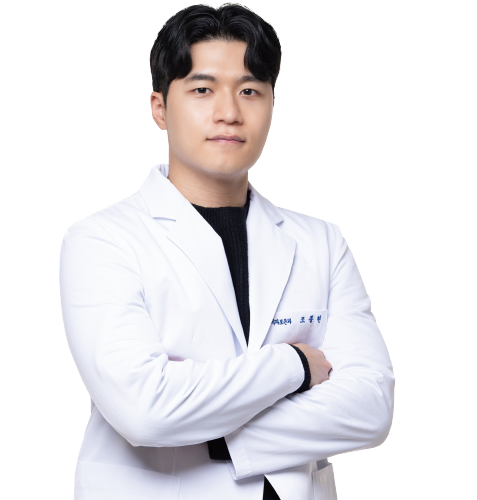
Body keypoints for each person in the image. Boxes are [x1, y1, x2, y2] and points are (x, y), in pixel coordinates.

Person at [59, 3, 395, 499]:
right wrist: (296, 366)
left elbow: (370, 407)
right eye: (202, 89)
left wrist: (211, 431)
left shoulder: (321, 242)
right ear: (159, 108)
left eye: (250, 90)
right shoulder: (102, 240)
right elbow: (145, 411)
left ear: (272, 104)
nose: (229, 112)